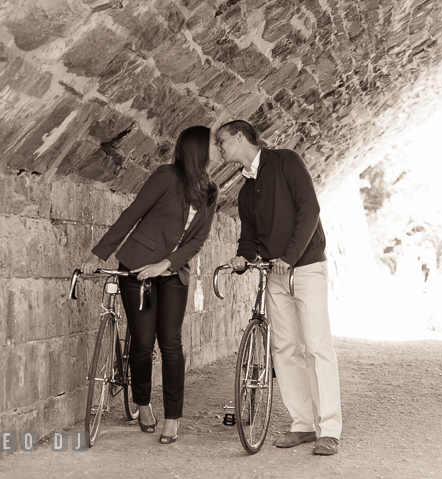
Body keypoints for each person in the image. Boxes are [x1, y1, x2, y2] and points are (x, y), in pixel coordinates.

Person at [80, 125, 221, 444]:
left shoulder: (212, 191)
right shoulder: (166, 176)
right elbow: (131, 215)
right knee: (143, 343)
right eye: (215, 143)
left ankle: (173, 418)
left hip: (172, 273)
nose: (220, 147)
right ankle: (142, 403)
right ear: (198, 148)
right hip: (136, 267)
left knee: (171, 343)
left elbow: (198, 240)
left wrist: (166, 264)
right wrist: (97, 255)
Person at [216, 120, 342, 455]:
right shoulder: (245, 191)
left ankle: (329, 429)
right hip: (275, 274)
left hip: (307, 267)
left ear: (241, 137)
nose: (220, 149)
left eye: (223, 142)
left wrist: (290, 256)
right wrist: (242, 258)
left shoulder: (286, 161)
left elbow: (310, 210)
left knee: (317, 347)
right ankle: (303, 425)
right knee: (284, 350)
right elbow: (250, 238)